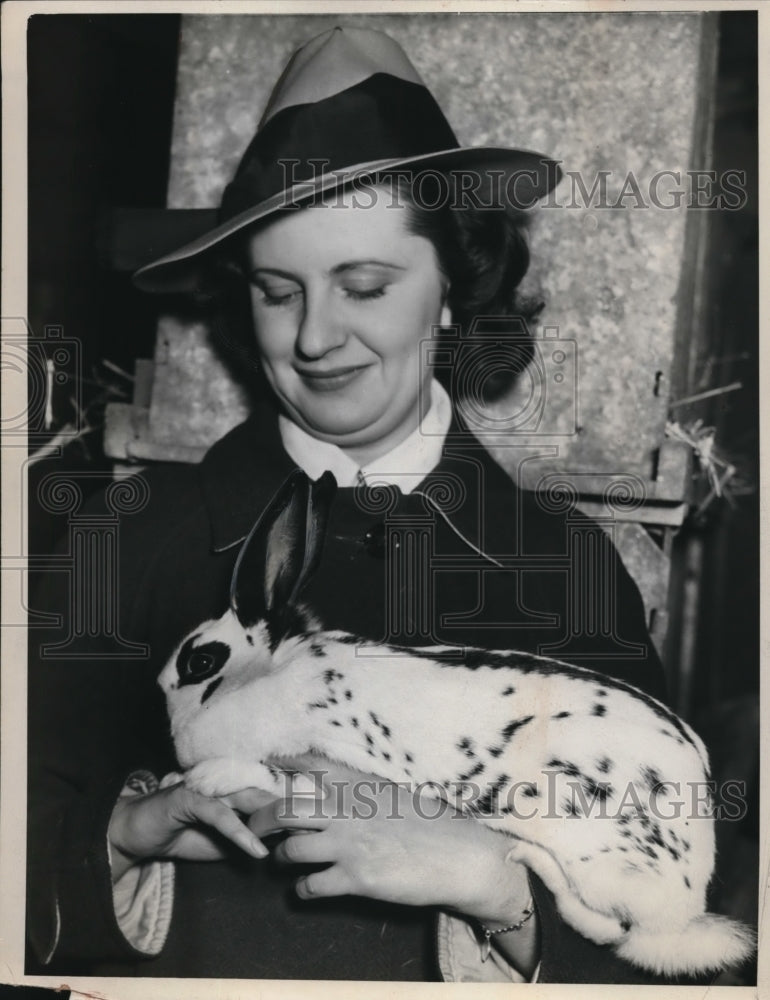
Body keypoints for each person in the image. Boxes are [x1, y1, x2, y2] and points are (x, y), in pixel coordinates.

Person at [26, 25, 712, 985]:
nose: (314, 337)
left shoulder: (564, 569)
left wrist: (495, 888)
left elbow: (674, 941)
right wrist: (121, 836)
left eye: (364, 284)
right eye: (278, 292)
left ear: (448, 293)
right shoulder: (128, 533)